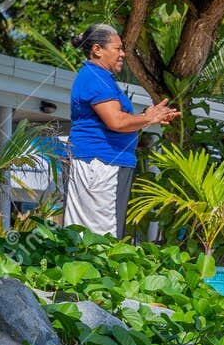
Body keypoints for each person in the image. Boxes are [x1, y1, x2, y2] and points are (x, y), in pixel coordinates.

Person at [63, 23, 179, 237]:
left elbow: (119, 118)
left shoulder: (102, 78)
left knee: (104, 236)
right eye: (117, 49)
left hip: (106, 163)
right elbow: (116, 121)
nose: (123, 54)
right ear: (97, 50)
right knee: (99, 239)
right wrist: (147, 118)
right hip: (98, 165)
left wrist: (149, 115)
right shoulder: (94, 78)